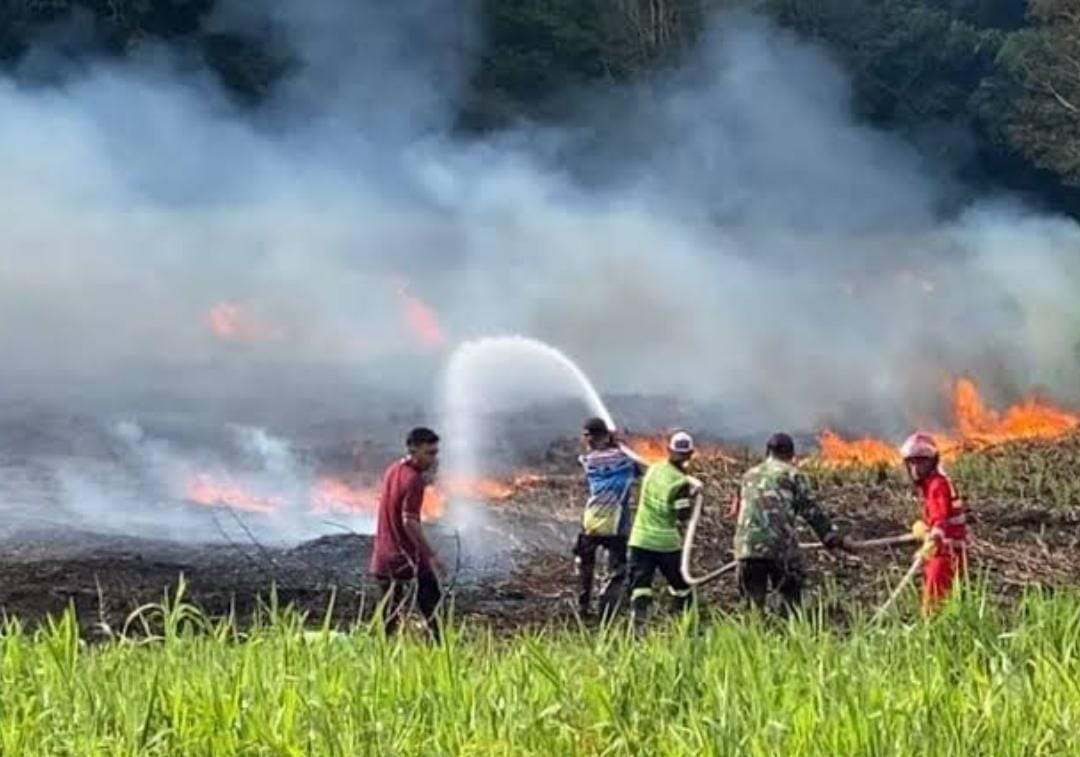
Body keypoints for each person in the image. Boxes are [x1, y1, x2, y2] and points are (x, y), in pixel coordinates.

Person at [731, 432, 851, 616]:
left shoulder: (748, 476)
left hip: (745, 549)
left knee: (752, 605)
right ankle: (789, 630)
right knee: (791, 596)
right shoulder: (793, 475)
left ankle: (752, 635)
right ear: (791, 454)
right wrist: (831, 538)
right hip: (779, 547)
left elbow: (736, 511)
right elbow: (811, 511)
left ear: (767, 452)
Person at [369, 427, 445, 641]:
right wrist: (431, 555)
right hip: (406, 556)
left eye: (435, 453)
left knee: (388, 614)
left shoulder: (393, 470)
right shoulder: (414, 480)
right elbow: (409, 520)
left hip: (383, 555)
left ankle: (382, 654)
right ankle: (439, 648)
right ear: (413, 449)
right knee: (432, 602)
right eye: (429, 453)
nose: (433, 459)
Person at [573, 417, 645, 619]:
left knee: (585, 566)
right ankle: (606, 609)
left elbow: (598, 456)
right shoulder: (623, 459)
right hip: (615, 523)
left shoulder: (588, 460)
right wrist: (620, 442)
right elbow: (638, 468)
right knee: (617, 569)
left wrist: (612, 442)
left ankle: (584, 605)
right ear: (604, 436)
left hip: (592, 521)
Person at [627, 431, 701, 622]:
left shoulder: (653, 470)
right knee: (681, 586)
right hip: (665, 543)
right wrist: (693, 496)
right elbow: (683, 516)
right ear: (690, 454)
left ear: (669, 450)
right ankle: (682, 620)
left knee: (640, 586)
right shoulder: (680, 483)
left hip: (640, 538)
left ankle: (638, 623)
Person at [900, 432, 968, 612]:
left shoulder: (937, 485)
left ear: (932, 462)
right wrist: (924, 529)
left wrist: (932, 539)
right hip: (949, 551)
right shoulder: (932, 484)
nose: (915, 469)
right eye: (911, 463)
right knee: (949, 604)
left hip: (945, 554)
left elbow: (941, 517)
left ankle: (931, 637)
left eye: (921, 462)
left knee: (933, 607)